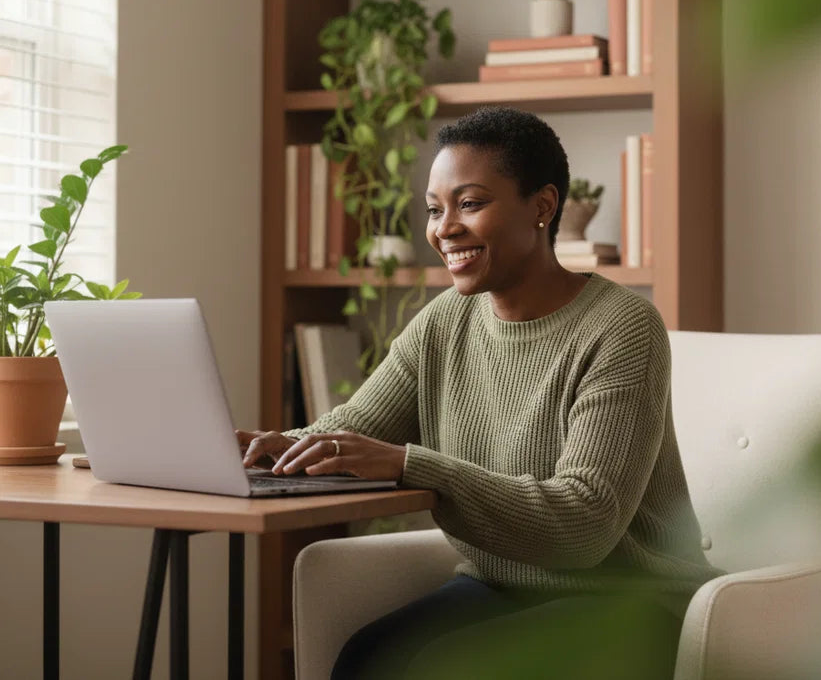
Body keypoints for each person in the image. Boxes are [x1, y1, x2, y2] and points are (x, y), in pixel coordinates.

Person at [237, 106, 719, 679]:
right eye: (435, 210)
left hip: (632, 602)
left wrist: (413, 466)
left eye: (469, 204)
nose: (444, 229)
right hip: (497, 586)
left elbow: (585, 525)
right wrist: (273, 448)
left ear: (542, 207)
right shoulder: (444, 321)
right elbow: (356, 427)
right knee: (364, 660)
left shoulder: (624, 327)